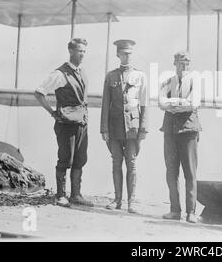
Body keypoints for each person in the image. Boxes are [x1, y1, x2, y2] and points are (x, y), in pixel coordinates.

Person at [34, 38, 93, 207]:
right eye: (79, 51)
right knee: (65, 158)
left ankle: (76, 195)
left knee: (80, 158)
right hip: (65, 124)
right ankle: (60, 195)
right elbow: (39, 93)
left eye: (84, 51)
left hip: (82, 122)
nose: (82, 54)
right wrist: (52, 112)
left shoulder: (82, 71)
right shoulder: (60, 73)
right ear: (71, 51)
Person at [100, 39, 148, 214]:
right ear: (117, 54)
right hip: (114, 127)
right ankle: (117, 199)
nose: (126, 56)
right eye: (123, 53)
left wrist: (143, 128)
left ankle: (131, 202)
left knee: (132, 163)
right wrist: (104, 129)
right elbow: (105, 104)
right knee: (116, 162)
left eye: (129, 53)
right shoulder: (110, 76)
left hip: (133, 128)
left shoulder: (140, 76)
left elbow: (144, 105)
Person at [158, 51, 201, 223]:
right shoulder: (168, 82)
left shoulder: (195, 82)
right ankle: (175, 210)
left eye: (187, 63)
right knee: (171, 172)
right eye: (181, 63)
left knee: (190, 172)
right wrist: (180, 103)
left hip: (189, 131)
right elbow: (161, 103)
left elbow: (193, 103)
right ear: (174, 63)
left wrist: (172, 103)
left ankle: (191, 212)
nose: (184, 67)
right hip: (170, 131)